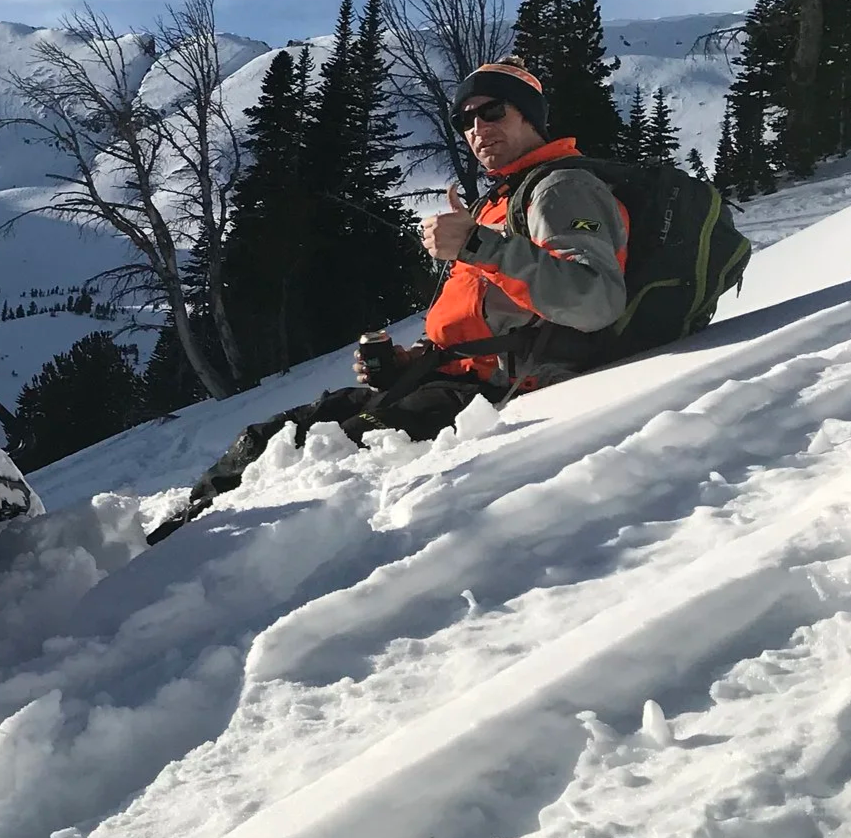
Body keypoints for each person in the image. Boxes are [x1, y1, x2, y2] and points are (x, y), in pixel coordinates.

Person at [146, 57, 629, 544]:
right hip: (450, 380)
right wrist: (410, 360)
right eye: (465, 119)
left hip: (496, 397)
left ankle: (195, 565)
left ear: (529, 115)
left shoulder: (561, 190)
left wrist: (479, 244)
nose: (477, 128)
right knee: (269, 438)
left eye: (493, 111)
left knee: (307, 464)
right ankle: (172, 546)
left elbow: (594, 300)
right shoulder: (505, 198)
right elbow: (493, 311)